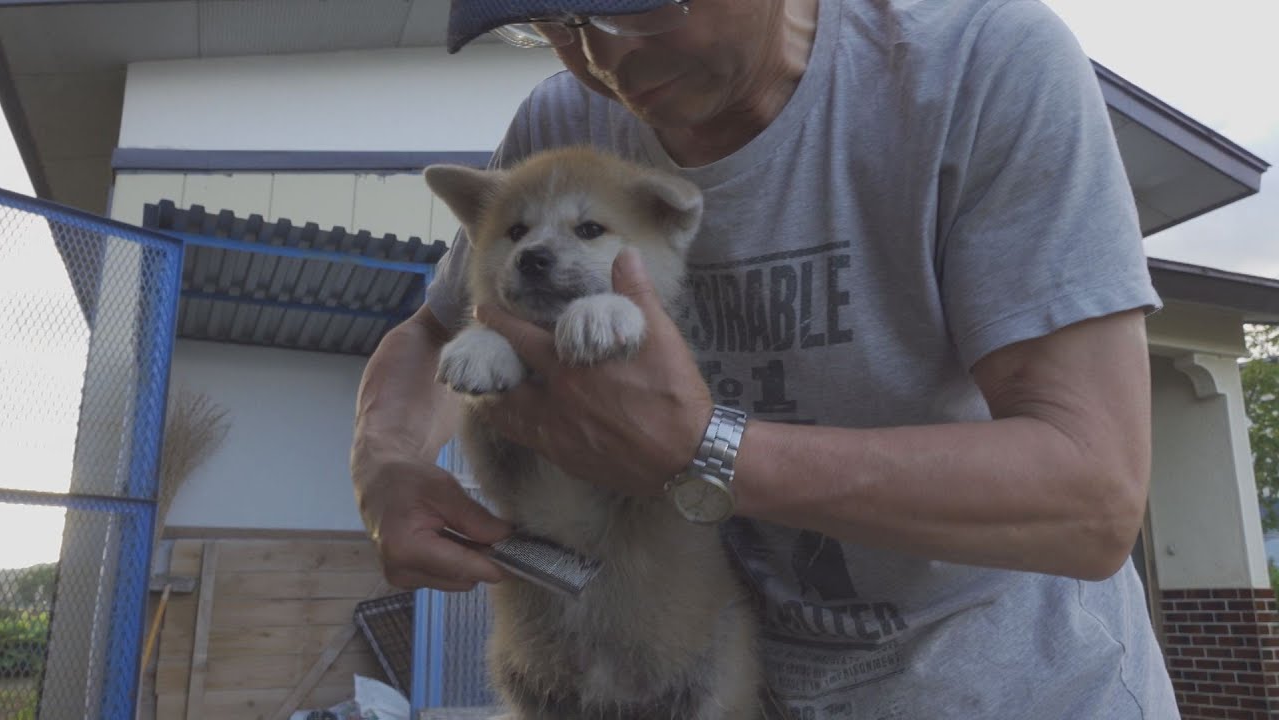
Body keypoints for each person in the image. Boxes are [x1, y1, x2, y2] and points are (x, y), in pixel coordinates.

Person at [350, 0, 1179, 716]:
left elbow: (1092, 498)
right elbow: (434, 333)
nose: (604, 56)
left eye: (640, 4)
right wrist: (384, 464)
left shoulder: (979, 68)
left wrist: (703, 452)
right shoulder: (565, 131)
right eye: (557, 22)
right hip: (739, 686)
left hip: (1017, 691)